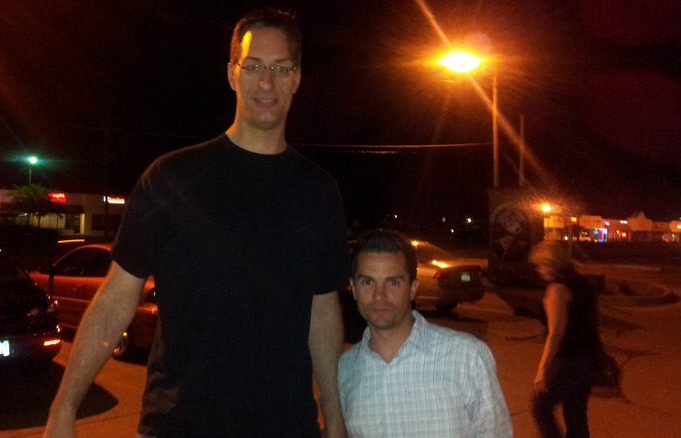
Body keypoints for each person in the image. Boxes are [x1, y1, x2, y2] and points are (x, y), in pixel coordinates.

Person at [43, 8, 350, 438]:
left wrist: (335, 417)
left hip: (285, 426)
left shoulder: (318, 192)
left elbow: (322, 313)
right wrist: (64, 409)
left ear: (297, 78)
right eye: (254, 66)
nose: (266, 81)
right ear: (231, 73)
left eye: (280, 68)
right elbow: (116, 298)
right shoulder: (171, 177)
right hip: (177, 426)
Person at [338, 228, 513, 437]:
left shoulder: (467, 357)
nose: (379, 295)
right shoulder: (345, 369)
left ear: (413, 288)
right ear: (354, 288)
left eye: (393, 282)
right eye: (368, 282)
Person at [529, 240, 604, 438]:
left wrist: (542, 369)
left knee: (540, 408)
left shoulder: (557, 290)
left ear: (551, 264)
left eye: (540, 265)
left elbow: (556, 333)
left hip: (568, 361)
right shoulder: (584, 283)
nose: (537, 270)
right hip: (590, 357)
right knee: (575, 413)